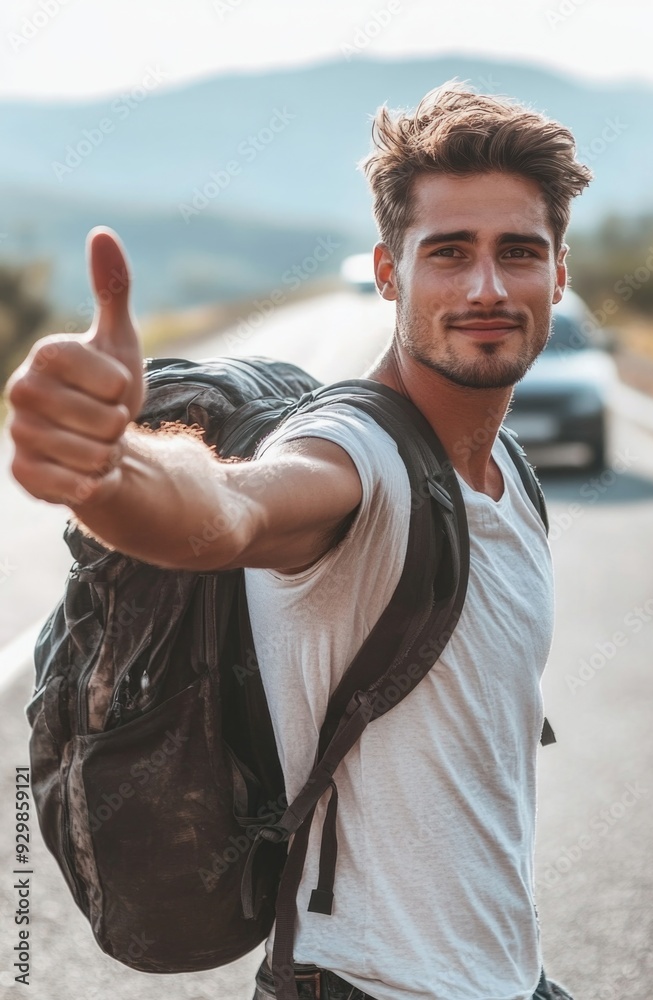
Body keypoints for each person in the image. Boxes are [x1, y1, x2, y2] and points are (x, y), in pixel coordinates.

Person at [5, 82, 591, 1000]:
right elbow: (230, 510)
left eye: (517, 252)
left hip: (504, 977)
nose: (486, 287)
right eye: (447, 253)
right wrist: (109, 471)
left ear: (558, 271)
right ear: (388, 273)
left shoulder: (504, 470)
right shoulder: (359, 458)